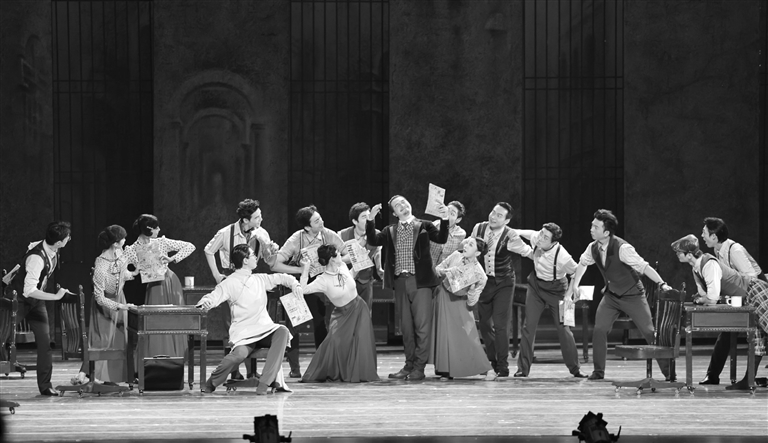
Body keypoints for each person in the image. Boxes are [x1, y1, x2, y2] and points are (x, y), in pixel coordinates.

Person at [567, 209, 673, 381]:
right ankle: (598, 371)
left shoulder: (623, 248)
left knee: (649, 332)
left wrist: (662, 283)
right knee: (600, 329)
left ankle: (669, 373)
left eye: (596, 227)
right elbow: (582, 264)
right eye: (592, 225)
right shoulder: (593, 247)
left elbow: (644, 267)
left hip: (632, 295)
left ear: (606, 232)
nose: (591, 229)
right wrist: (575, 286)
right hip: (611, 296)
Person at [196, 244, 299, 395]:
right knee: (239, 355)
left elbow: (283, 277)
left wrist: (295, 285)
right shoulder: (230, 282)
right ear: (245, 260)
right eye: (253, 256)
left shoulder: (259, 279)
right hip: (244, 332)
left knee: (282, 331)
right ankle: (212, 382)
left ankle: (264, 383)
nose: (256, 258)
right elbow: (213, 297)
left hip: (264, 328)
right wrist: (205, 303)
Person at [366, 195, 449, 381]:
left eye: (404, 201)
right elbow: (373, 240)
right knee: (406, 327)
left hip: (420, 281)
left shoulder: (425, 225)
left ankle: (419, 368)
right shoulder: (390, 230)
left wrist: (445, 218)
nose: (402, 205)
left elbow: (442, 238)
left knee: (422, 326)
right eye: (398, 205)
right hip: (400, 282)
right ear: (395, 213)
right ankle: (409, 365)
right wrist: (370, 220)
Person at [671, 234, 768, 389]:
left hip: (754, 291)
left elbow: (712, 298)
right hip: (746, 299)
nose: (677, 255)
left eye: (679, 252)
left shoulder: (709, 264)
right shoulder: (696, 268)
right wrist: (702, 298)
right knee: (758, 340)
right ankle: (748, 381)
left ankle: (746, 380)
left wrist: (702, 299)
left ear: (689, 255)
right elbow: (703, 294)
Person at [272, 205, 349, 378]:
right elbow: (276, 264)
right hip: (297, 285)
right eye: (316, 221)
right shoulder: (296, 239)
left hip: (319, 284)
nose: (321, 222)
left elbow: (348, 254)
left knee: (321, 323)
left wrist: (333, 263)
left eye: (320, 218)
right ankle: (295, 368)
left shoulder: (328, 235)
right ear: (307, 227)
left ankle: (324, 364)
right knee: (294, 325)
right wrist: (301, 270)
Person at [203, 199, 277, 380]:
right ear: (245, 220)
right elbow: (209, 250)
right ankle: (234, 371)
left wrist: (270, 249)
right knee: (232, 325)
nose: (261, 219)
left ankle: (252, 372)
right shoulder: (226, 233)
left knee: (253, 324)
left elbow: (269, 260)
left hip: (251, 279)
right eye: (257, 217)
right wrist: (217, 275)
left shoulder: (261, 232)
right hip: (232, 279)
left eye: (260, 216)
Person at [513, 223, 587, 378]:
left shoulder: (563, 257)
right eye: (541, 233)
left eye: (545, 237)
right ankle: (522, 369)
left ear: (553, 242)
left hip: (557, 290)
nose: (540, 238)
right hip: (536, 287)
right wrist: (514, 231)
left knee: (564, 329)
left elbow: (576, 273)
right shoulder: (538, 238)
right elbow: (528, 233)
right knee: (528, 327)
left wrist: (568, 295)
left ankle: (575, 368)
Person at [699, 217, 766, 385]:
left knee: (757, 336)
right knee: (728, 331)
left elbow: (751, 277)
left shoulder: (734, 250)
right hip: (743, 296)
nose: (702, 236)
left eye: (704, 232)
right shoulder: (718, 250)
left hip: (756, 294)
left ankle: (724, 376)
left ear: (714, 236)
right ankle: (713, 375)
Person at [299, 245, 380, 382]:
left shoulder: (342, 266)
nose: (340, 256)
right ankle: (331, 370)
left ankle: (360, 373)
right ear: (331, 259)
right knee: (334, 342)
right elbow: (303, 289)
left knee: (361, 341)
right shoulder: (323, 280)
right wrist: (305, 270)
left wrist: (361, 260)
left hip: (359, 308)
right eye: (337, 254)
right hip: (342, 314)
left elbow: (351, 275)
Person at [470, 202, 532, 378]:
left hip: (504, 282)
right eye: (493, 212)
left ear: (506, 220)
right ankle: (492, 360)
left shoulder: (510, 236)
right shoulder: (479, 228)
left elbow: (527, 251)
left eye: (499, 215)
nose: (493, 217)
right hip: (484, 282)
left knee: (500, 325)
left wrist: (548, 259)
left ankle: (503, 366)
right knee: (484, 324)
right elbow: (469, 247)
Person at [123, 214, 195, 360]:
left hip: (170, 281)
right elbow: (120, 269)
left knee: (174, 319)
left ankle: (175, 358)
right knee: (155, 321)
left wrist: (172, 258)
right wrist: (134, 273)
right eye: (156, 227)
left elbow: (190, 246)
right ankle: (155, 357)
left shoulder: (161, 242)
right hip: (154, 286)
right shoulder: (132, 249)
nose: (159, 230)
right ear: (148, 229)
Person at [72, 226, 137, 385]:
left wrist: (134, 273)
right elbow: (99, 298)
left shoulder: (120, 253)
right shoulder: (101, 265)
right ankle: (88, 374)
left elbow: (122, 274)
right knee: (102, 341)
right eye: (122, 238)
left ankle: (114, 377)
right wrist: (120, 306)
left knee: (120, 339)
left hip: (119, 299)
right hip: (105, 306)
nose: (125, 240)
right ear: (115, 243)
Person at [15, 221, 73, 396]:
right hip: (19, 301)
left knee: (45, 343)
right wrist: (55, 297)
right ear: (59, 242)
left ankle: (45, 386)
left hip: (36, 302)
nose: (69, 239)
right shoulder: (37, 258)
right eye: (67, 237)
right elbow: (28, 290)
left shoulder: (51, 249)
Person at [429, 236, 492, 379]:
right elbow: (438, 269)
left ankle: (482, 367)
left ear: (477, 253)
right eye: (467, 243)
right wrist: (448, 271)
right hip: (443, 295)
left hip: (460, 302)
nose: (466, 246)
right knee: (444, 333)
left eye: (471, 245)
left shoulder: (480, 274)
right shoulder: (456, 255)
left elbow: (472, 302)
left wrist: (472, 289)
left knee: (467, 336)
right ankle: (445, 368)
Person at [337, 202, 384, 315]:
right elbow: (337, 259)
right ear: (355, 221)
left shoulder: (377, 234)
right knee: (346, 314)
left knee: (365, 313)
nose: (368, 219)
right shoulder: (341, 235)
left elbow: (377, 253)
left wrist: (380, 270)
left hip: (365, 280)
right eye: (364, 217)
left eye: (370, 216)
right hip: (346, 281)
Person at [429, 201, 467, 269]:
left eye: (452, 214)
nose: (447, 215)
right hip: (427, 267)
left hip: (444, 271)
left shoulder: (461, 234)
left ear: (458, 220)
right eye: (447, 211)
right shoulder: (433, 226)